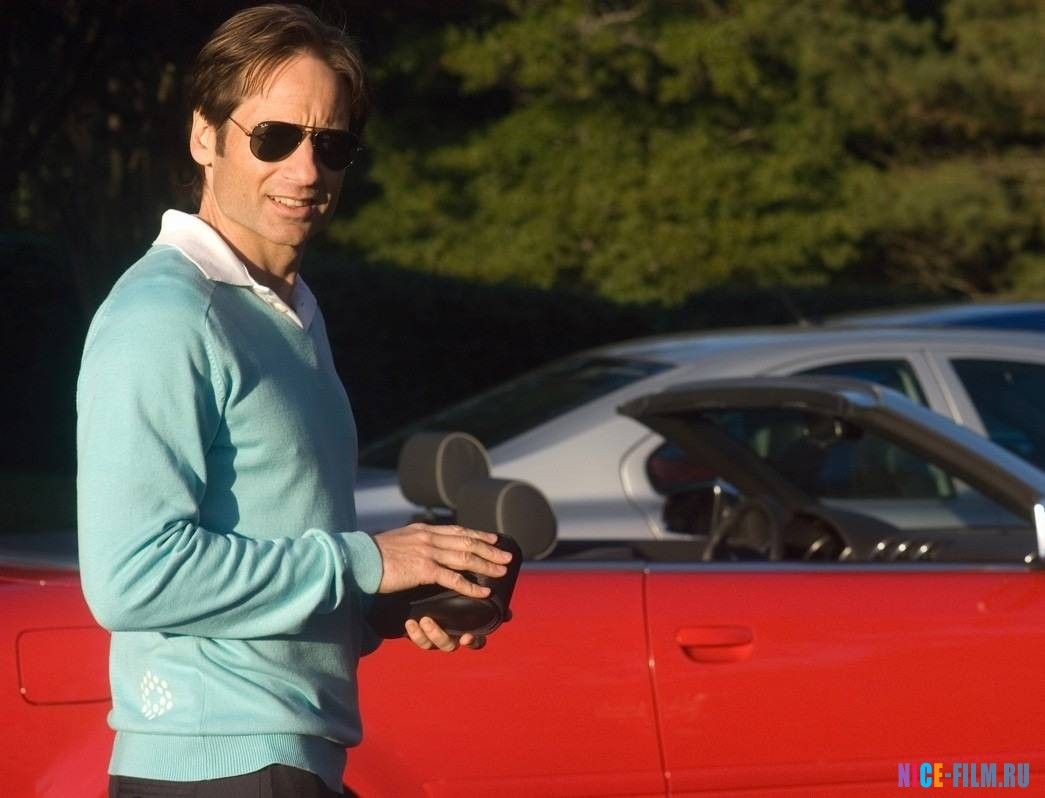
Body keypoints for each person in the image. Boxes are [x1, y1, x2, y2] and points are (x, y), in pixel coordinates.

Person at [75, 5, 512, 797]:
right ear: (204, 136)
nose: (307, 171)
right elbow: (132, 577)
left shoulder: (286, 310)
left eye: (331, 144)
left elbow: (275, 548)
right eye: (273, 137)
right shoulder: (167, 314)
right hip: (221, 759)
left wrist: (387, 601)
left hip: (278, 756)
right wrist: (366, 560)